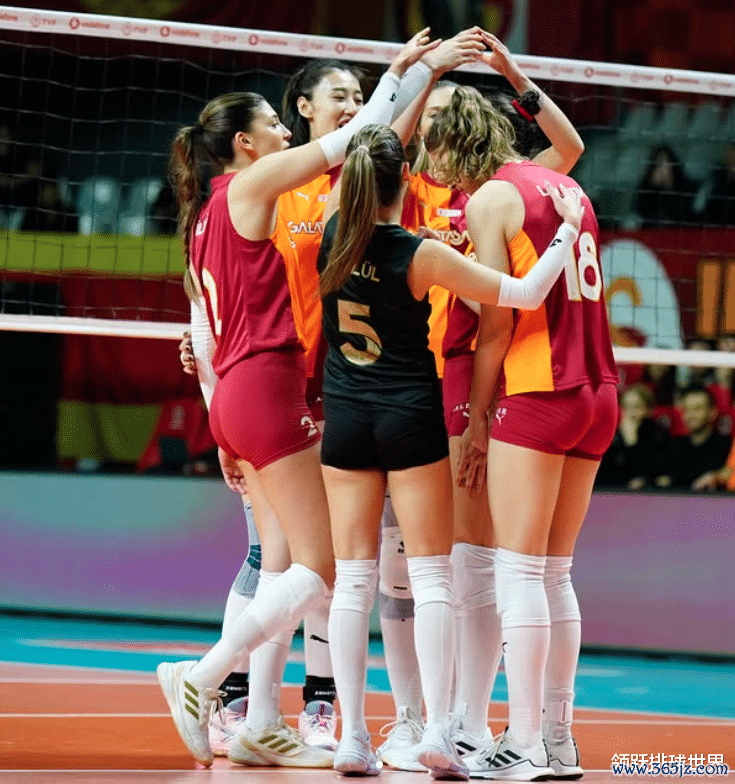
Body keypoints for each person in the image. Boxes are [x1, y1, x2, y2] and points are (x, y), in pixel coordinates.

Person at [156, 30, 445, 768]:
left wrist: (217, 410)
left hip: (237, 393)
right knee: (323, 566)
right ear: (245, 144)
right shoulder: (253, 186)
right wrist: (401, 72)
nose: (284, 132)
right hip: (267, 384)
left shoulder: (204, 212)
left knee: (280, 556)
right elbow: (353, 139)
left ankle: (260, 720)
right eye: (273, 125)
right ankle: (203, 676)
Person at [318, 124, 584, 778]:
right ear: (406, 180)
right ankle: (442, 729)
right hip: (408, 416)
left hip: (345, 416)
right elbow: (525, 293)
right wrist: (566, 232)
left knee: (352, 581)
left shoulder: (330, 234)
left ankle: (353, 738)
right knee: (433, 577)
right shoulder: (423, 255)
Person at [378, 33, 586, 775]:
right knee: (461, 560)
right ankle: (455, 718)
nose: (430, 136)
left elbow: (569, 146)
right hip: (430, 372)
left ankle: (467, 720)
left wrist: (511, 74)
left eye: (442, 121)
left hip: (479, 372)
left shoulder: (500, 195)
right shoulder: (420, 193)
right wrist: (425, 76)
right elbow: (383, 150)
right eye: (426, 121)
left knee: (479, 557)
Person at [426, 86, 619, 780]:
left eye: (435, 150)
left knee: (518, 573)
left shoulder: (489, 200)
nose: (431, 166)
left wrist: (478, 420)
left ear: (455, 146)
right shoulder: (564, 186)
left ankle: (527, 740)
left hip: (539, 388)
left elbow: (495, 323)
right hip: (599, 388)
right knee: (553, 574)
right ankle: (558, 740)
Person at [654, 385, 732, 491]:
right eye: (686, 410)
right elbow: (655, 479)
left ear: (712, 412)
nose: (691, 415)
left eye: (697, 409)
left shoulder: (726, 446)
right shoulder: (673, 446)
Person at [596, 383, 670, 489]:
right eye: (626, 407)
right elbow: (607, 474)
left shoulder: (657, 435)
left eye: (637, 407)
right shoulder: (613, 436)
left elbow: (650, 472)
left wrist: (632, 443)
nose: (631, 413)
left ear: (648, 410)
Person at [633, 144, 696, 227]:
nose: (663, 169)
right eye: (659, 164)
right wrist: (653, 186)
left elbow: (686, 215)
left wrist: (669, 187)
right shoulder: (644, 187)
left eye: (667, 163)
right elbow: (640, 211)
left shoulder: (686, 187)